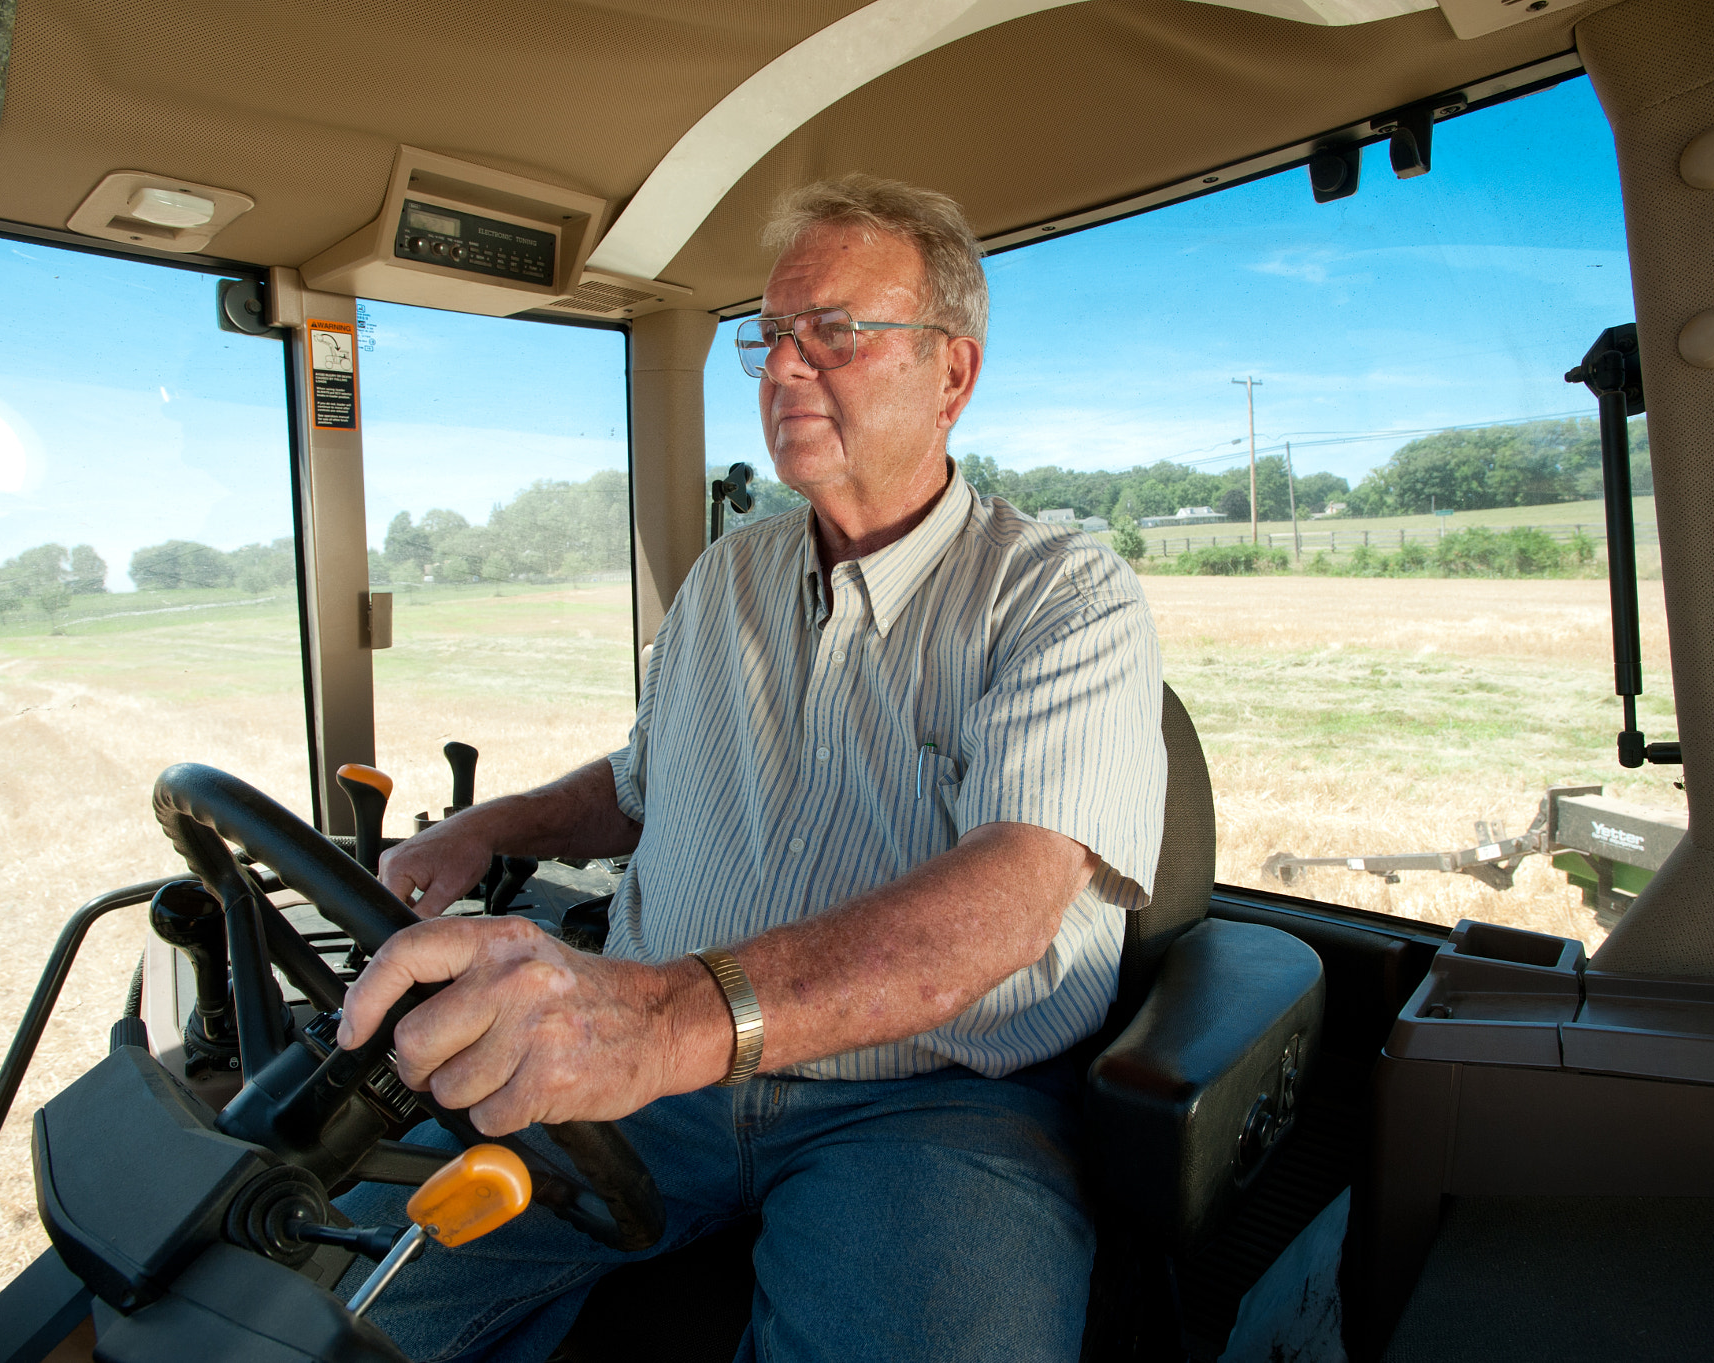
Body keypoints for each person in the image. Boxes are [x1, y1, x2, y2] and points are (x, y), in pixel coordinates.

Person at [334, 174, 1166, 1362]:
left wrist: (661, 1016)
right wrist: (489, 830)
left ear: (951, 373)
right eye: (769, 336)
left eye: (833, 331)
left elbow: (1003, 905)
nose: (782, 369)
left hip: (928, 1105)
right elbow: (638, 783)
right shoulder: (727, 579)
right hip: (655, 1083)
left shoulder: (1061, 597)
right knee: (338, 1296)